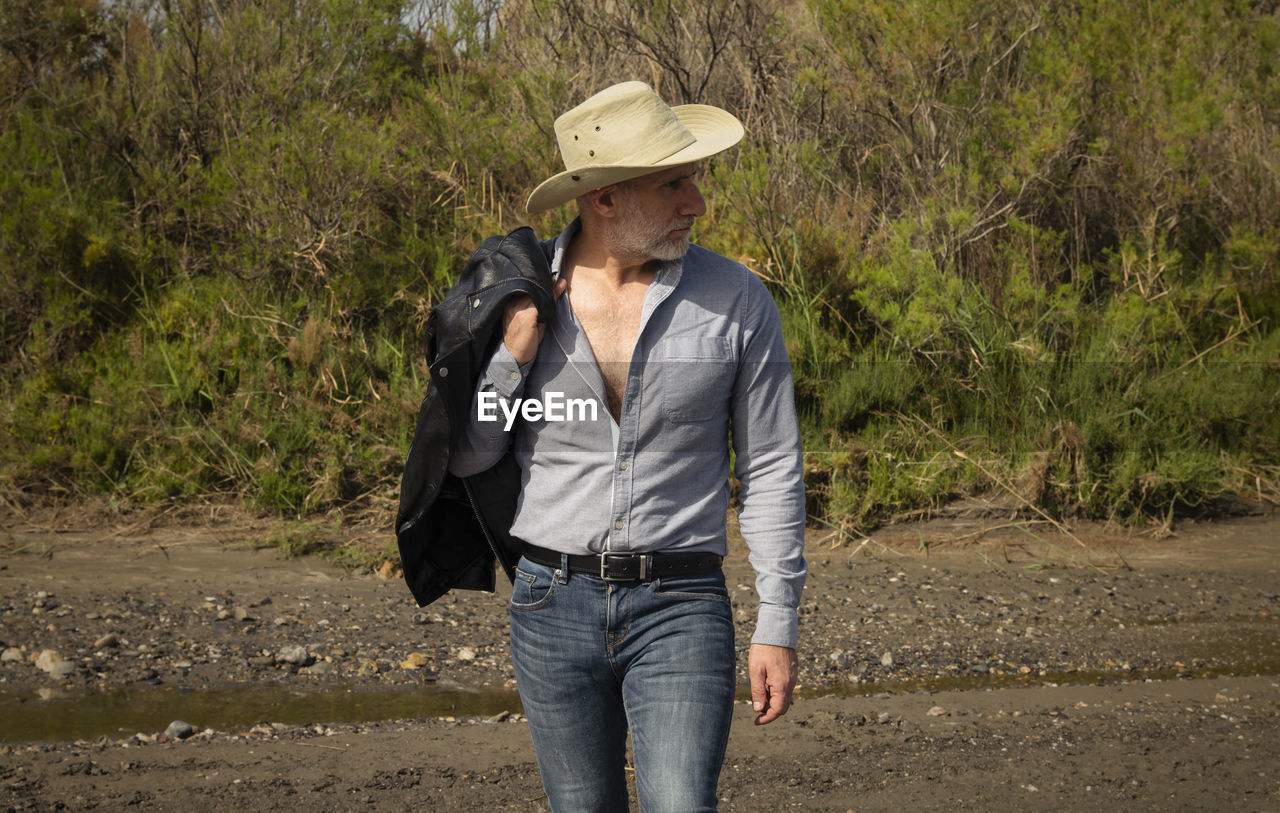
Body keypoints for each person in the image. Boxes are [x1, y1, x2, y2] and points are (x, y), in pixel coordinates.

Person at [449, 81, 807, 812]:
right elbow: (470, 451)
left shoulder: (739, 302)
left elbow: (770, 466)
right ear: (604, 197)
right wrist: (514, 353)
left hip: (682, 602)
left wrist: (778, 620)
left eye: (694, 179)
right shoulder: (516, 298)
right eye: (673, 183)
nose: (696, 202)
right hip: (551, 603)